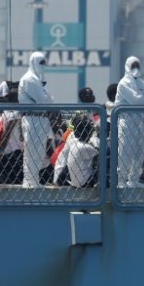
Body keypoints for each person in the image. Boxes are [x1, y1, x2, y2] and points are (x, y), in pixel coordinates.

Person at [18, 52, 54, 188]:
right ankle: (29, 181)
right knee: (32, 151)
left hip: (41, 119)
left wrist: (45, 94)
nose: (44, 66)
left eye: (45, 63)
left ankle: (34, 180)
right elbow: (43, 101)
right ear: (33, 62)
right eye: (41, 62)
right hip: (32, 118)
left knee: (39, 152)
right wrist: (46, 94)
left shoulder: (37, 80)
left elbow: (49, 101)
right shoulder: (29, 79)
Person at [115, 56, 144, 188]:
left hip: (139, 122)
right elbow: (136, 101)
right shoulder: (123, 84)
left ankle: (134, 180)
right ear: (127, 66)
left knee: (139, 153)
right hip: (126, 122)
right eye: (133, 66)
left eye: (137, 66)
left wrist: (141, 100)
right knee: (124, 152)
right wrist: (141, 100)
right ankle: (121, 180)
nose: (135, 68)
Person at [53, 115, 99, 187]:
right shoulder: (75, 140)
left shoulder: (73, 137)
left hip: (65, 174)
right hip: (63, 173)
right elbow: (97, 154)